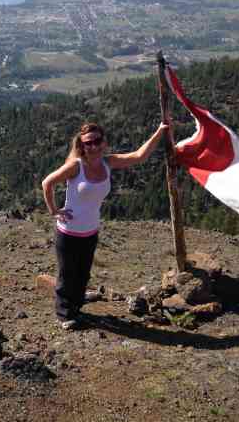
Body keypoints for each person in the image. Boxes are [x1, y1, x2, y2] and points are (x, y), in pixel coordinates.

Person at [41, 121, 169, 330]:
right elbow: (47, 183)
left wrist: (160, 132)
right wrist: (54, 210)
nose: (94, 146)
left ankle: (77, 305)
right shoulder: (76, 166)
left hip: (90, 231)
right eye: (88, 143)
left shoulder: (108, 163)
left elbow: (139, 156)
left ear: (104, 142)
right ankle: (64, 314)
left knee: (83, 273)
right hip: (69, 232)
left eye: (97, 141)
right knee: (67, 273)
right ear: (82, 146)